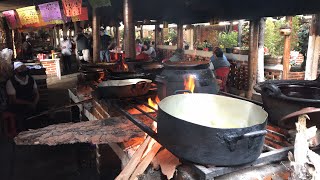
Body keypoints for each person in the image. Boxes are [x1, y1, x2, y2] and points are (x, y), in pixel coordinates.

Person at [6, 62, 39, 131]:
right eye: (21, 69)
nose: (24, 70)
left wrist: (35, 102)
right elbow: (14, 100)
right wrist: (30, 104)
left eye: (24, 68)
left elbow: (36, 93)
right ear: (16, 71)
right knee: (24, 118)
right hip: (18, 106)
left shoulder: (31, 79)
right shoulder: (11, 82)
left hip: (32, 103)